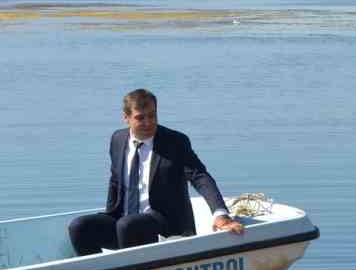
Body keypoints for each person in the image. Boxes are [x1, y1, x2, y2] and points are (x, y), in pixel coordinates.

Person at [68, 89, 245, 255]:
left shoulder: (175, 142)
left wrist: (221, 214)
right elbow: (115, 181)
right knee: (79, 226)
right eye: (140, 118)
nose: (148, 122)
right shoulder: (118, 139)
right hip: (124, 221)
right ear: (126, 118)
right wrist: (110, 211)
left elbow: (200, 176)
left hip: (163, 223)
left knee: (127, 225)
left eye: (152, 116)